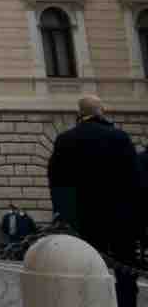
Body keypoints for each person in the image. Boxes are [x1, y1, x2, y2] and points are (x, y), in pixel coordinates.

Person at [48, 95, 143, 307]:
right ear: (101, 112)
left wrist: (62, 214)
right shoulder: (120, 137)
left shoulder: (65, 139)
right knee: (126, 272)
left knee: (86, 269)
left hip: (84, 219)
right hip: (121, 218)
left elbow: (57, 182)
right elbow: (135, 181)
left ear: (80, 114)